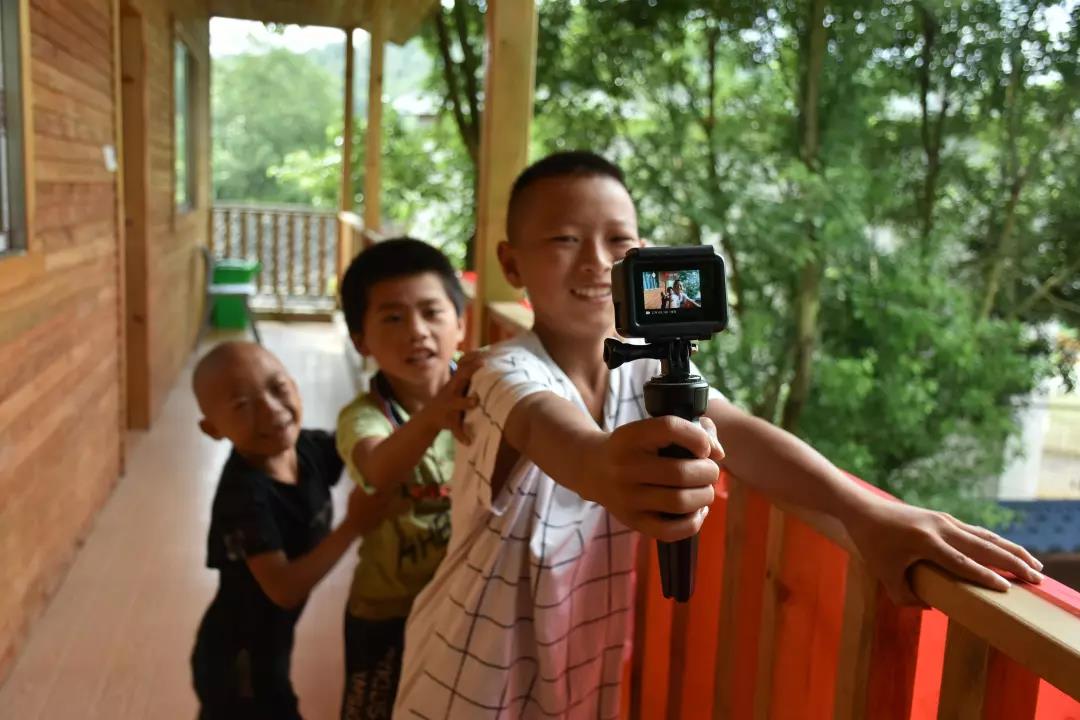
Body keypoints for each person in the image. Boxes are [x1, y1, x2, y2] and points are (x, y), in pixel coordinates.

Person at [393, 151, 1044, 719]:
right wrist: (613, 471)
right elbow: (565, 442)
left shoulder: (647, 367)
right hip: (465, 673)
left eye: (618, 240)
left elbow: (741, 434)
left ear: (640, 260)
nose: (594, 260)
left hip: (577, 666)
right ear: (511, 262)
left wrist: (867, 514)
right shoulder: (497, 371)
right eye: (564, 239)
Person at [189, 341, 395, 720]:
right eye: (242, 405)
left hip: (272, 644)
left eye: (278, 387)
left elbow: (369, 453)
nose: (271, 409)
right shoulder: (243, 497)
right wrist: (352, 526)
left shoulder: (308, 449)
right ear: (213, 429)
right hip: (237, 660)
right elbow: (283, 588)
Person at [335, 238, 482, 719]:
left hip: (464, 603)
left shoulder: (488, 392)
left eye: (432, 312)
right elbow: (376, 469)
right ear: (361, 340)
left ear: (460, 324)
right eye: (393, 318)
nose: (417, 332)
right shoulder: (365, 416)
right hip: (386, 611)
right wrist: (435, 415)